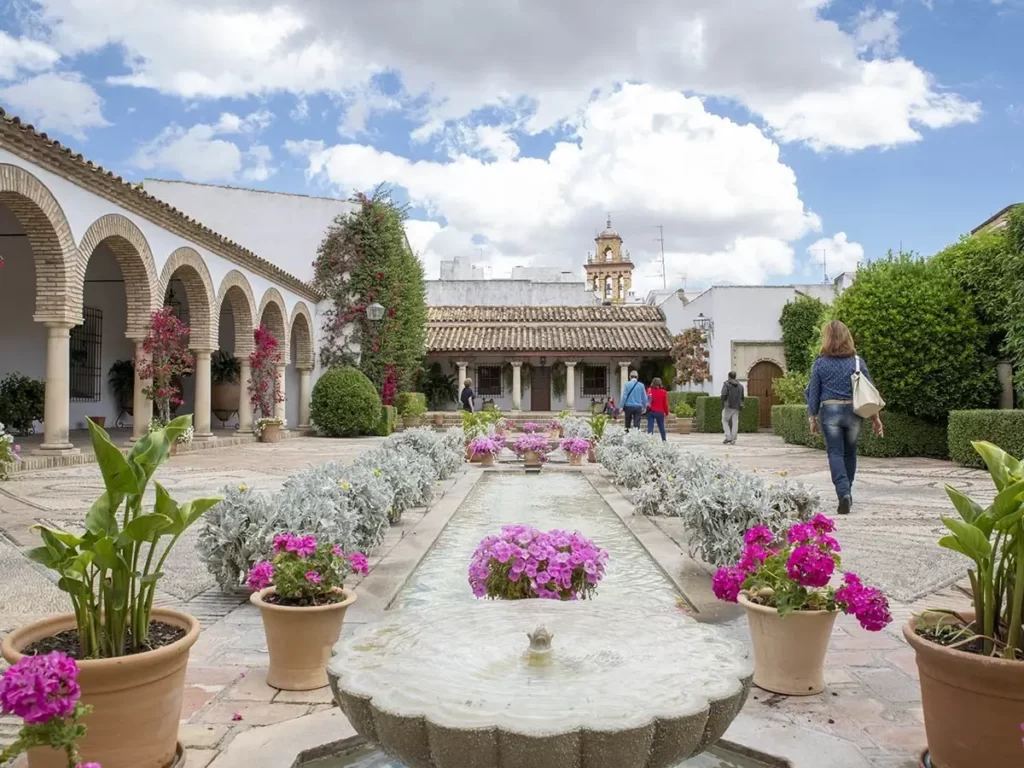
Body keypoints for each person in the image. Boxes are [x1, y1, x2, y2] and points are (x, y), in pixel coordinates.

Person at [807, 319, 884, 516]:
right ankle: (846, 492)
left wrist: (812, 417)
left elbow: (813, 392)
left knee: (835, 453)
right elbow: (869, 392)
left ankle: (843, 494)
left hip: (830, 411)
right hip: (853, 411)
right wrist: (875, 418)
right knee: (850, 453)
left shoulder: (820, 363)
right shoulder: (857, 362)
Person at [720, 371, 744, 444]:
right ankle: (733, 439)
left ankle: (728, 437)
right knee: (735, 422)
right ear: (735, 376)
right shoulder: (740, 386)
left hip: (728, 405)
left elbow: (724, 394)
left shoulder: (726, 384)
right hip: (737, 406)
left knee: (724, 421)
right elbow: (742, 397)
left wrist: (722, 402)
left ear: (729, 376)